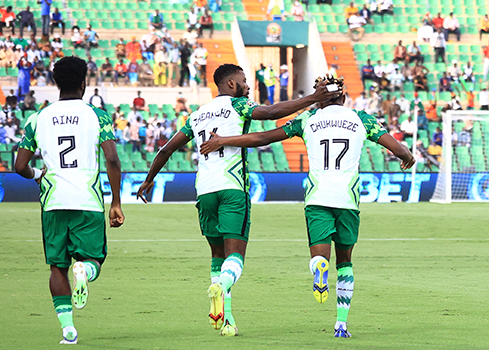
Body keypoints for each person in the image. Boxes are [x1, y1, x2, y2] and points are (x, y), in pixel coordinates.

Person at [196, 74, 414, 338]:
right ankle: (341, 325)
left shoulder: (306, 119)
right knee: (345, 261)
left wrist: (223, 141)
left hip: (318, 197)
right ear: (343, 97)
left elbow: (263, 138)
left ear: (321, 99)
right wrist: (407, 157)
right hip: (348, 199)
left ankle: (318, 266)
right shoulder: (361, 119)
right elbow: (396, 148)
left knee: (319, 256)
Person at [136, 64, 341, 336]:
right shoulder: (239, 105)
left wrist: (149, 179)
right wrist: (314, 98)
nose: (247, 86)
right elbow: (270, 113)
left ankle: (227, 319)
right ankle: (221, 286)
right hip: (232, 187)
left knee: (217, 255)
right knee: (235, 257)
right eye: (244, 81)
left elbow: (166, 149)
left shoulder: (196, 116)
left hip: (205, 190)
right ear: (231, 85)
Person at [13, 56, 124, 345]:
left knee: (56, 267)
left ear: (55, 83)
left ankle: (68, 331)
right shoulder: (97, 115)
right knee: (94, 260)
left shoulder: (37, 117)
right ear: (84, 82)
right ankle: (84, 270)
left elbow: (19, 166)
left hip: (53, 202)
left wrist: (38, 173)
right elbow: (112, 158)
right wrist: (116, 202)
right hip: (86, 200)